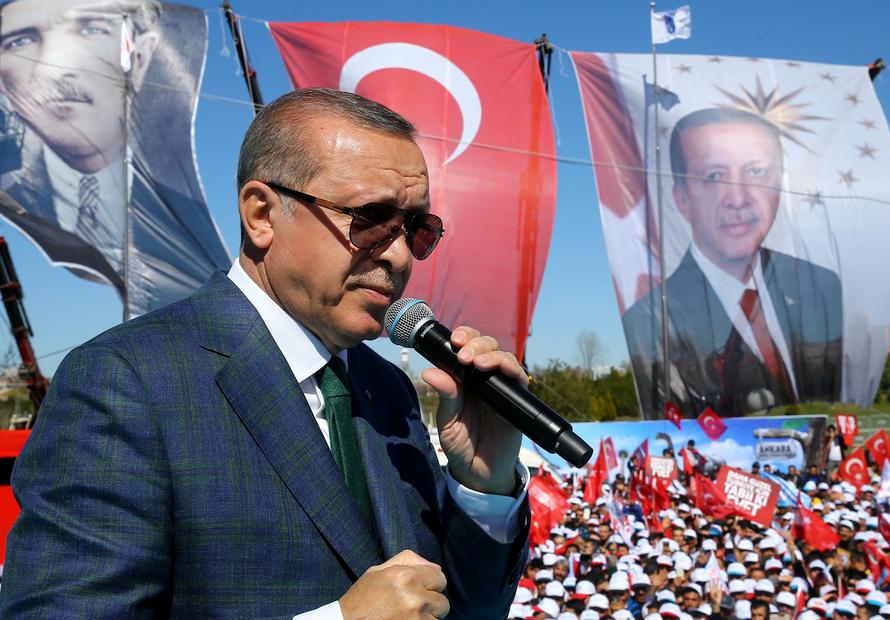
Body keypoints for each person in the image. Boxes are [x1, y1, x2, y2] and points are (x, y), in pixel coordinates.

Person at [0, 89, 530, 618]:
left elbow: (460, 608)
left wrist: (483, 486)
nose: (396, 255)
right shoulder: (126, 382)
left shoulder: (389, 391)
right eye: (370, 218)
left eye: (416, 229)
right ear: (262, 215)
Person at [0, 0, 229, 311]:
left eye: (92, 28)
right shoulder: (16, 198)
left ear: (139, 58)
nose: (52, 68)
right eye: (20, 41)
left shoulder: (179, 213)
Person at [622, 107, 843, 418]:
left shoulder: (819, 285)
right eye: (714, 176)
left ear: (779, 185)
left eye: (756, 172)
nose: (738, 198)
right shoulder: (652, 319)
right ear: (682, 199)